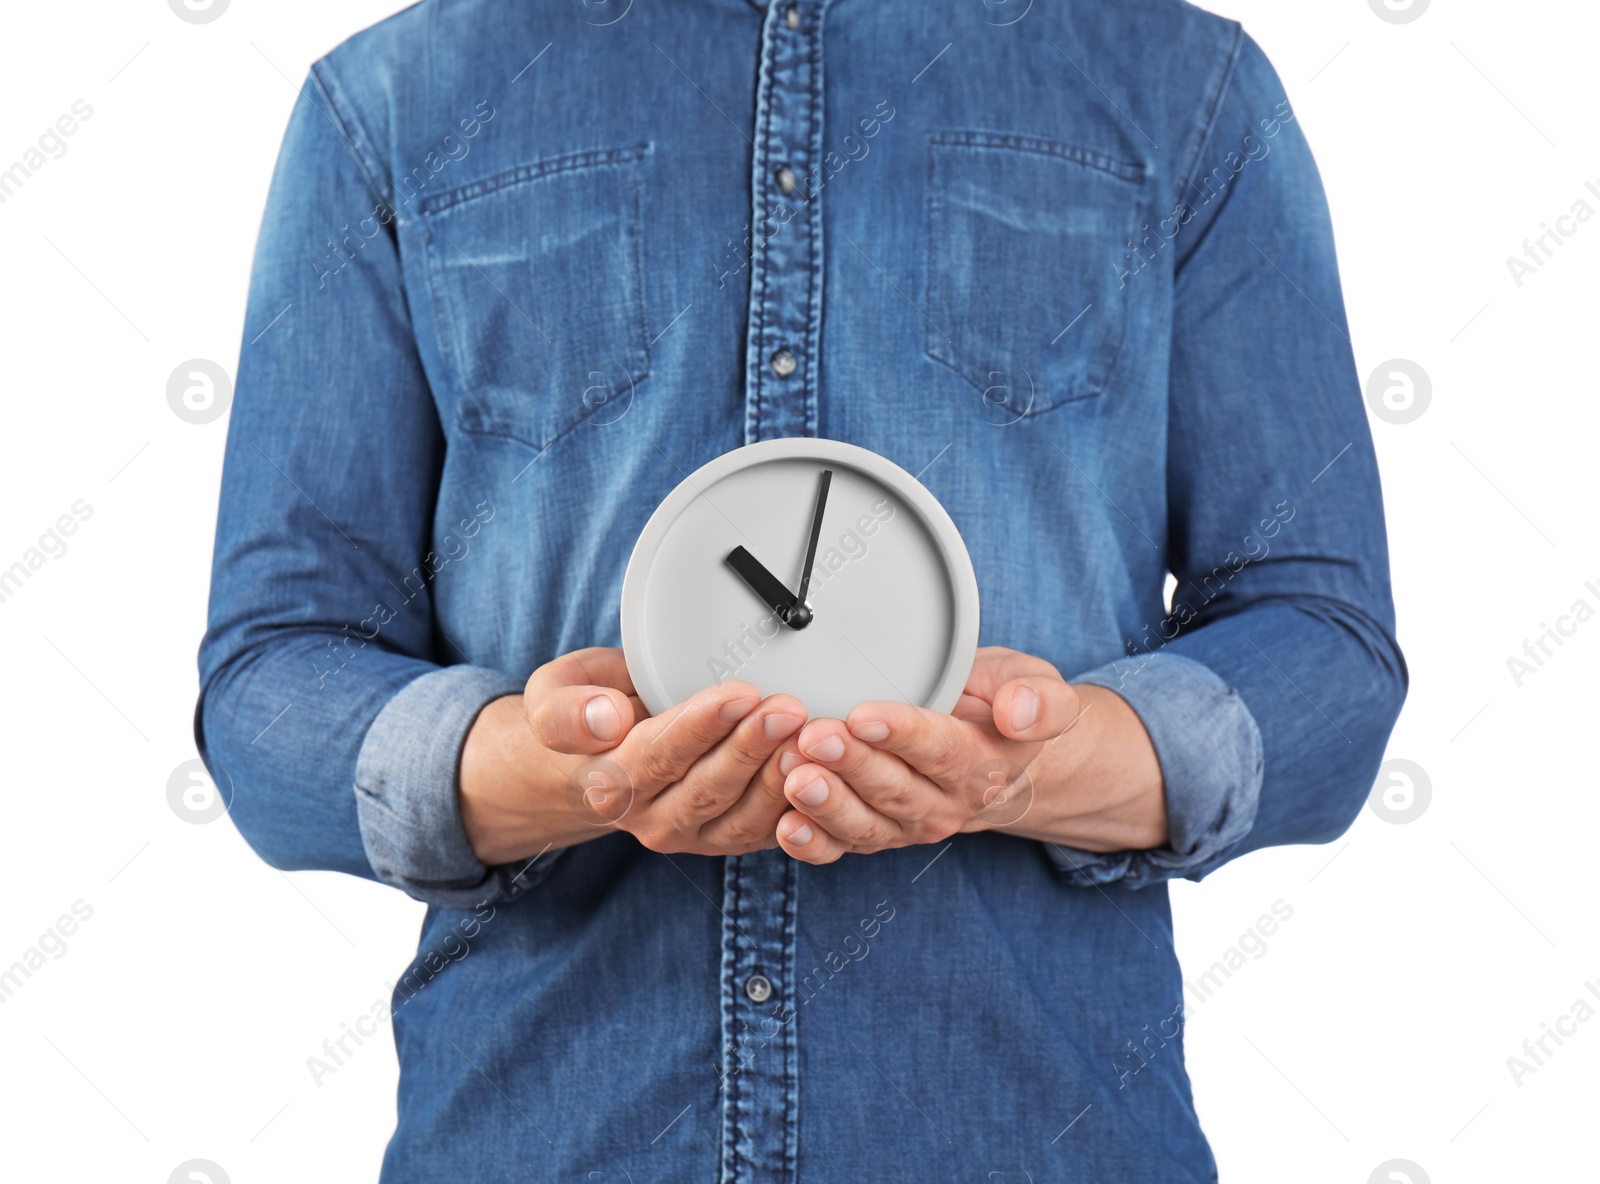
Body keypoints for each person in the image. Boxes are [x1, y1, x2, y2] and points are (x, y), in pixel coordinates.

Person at [197, 0, 1406, 1179]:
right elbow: (273, 675)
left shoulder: (1182, 88)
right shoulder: (397, 103)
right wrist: (543, 769)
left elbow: (1325, 642)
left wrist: (1050, 761)